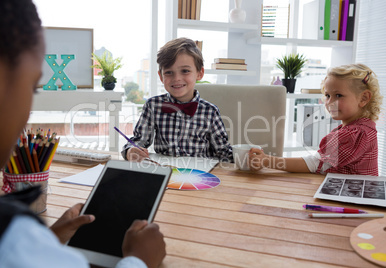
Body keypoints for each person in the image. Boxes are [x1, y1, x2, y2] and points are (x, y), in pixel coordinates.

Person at [0, 1, 165, 267]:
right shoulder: (12, 237)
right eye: (32, 86)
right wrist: (139, 261)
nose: (28, 113)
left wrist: (47, 241)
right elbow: (136, 142)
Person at [249, 64, 383, 176]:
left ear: (364, 98)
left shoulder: (354, 134)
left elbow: (314, 164)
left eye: (338, 95)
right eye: (327, 95)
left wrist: (267, 160)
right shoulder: (362, 128)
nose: (330, 102)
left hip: (352, 199)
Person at [122, 38, 233, 162]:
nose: (177, 78)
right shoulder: (153, 106)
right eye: (169, 72)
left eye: (185, 71)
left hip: (200, 176)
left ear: (199, 73)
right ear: (161, 76)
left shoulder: (210, 111)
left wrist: (246, 157)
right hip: (165, 172)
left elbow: (224, 153)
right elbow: (138, 141)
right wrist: (131, 150)